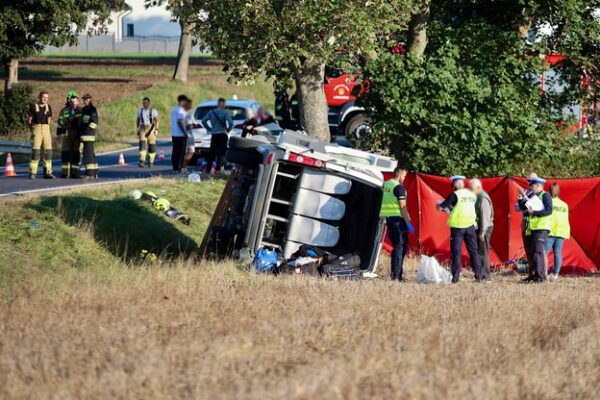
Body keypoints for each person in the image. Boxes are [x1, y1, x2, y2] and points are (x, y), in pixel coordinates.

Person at [436, 175, 483, 283]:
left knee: (456, 252)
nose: (453, 187)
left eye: (453, 185)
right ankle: (479, 276)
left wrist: (438, 206)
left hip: (457, 227)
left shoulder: (454, 195)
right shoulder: (471, 195)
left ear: (456, 184)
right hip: (470, 226)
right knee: (473, 252)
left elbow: (441, 207)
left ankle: (455, 277)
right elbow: (464, 207)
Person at [380, 166, 415, 281]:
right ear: (399, 175)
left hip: (388, 220)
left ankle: (395, 273)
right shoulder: (399, 188)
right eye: (404, 176)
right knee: (400, 248)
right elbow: (402, 207)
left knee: (396, 247)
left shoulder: (385, 185)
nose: (404, 178)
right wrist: (408, 222)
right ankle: (397, 276)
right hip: (398, 221)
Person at [517, 177, 552, 282]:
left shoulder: (545, 196)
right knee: (534, 252)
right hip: (534, 228)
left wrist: (535, 213)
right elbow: (525, 209)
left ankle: (540, 277)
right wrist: (520, 201)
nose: (530, 188)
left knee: (537, 252)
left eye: (532, 185)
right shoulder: (535, 196)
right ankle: (535, 275)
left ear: (538, 185)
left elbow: (549, 211)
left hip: (542, 228)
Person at [469, 178, 494, 281]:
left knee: (483, 252)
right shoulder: (476, 197)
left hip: (485, 227)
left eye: (471, 188)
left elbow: (485, 217)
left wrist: (482, 232)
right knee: (479, 251)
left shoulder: (483, 198)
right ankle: (479, 275)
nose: (470, 191)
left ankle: (485, 276)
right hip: (479, 227)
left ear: (478, 188)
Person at [27, 90, 54, 179]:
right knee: (36, 152)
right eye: (43, 97)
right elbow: (29, 120)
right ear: (39, 97)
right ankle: (33, 172)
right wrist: (33, 129)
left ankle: (47, 172)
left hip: (46, 130)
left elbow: (49, 120)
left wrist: (47, 128)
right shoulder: (33, 107)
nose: (45, 99)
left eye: (46, 98)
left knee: (48, 152)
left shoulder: (48, 107)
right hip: (37, 129)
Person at [201, 98, 233, 174]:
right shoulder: (225, 113)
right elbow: (231, 123)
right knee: (221, 153)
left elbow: (203, 121)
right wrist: (228, 130)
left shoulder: (211, 112)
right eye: (225, 104)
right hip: (223, 134)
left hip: (214, 134)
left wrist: (209, 129)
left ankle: (208, 169)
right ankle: (218, 169)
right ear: (222, 104)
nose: (225, 105)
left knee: (212, 152)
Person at [546, 183, 570, 280]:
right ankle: (556, 274)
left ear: (549, 191)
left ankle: (543, 272)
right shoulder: (564, 205)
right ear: (559, 191)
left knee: (544, 253)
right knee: (558, 252)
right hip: (562, 231)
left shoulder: (548, 203)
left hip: (550, 230)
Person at [56, 91, 82, 179]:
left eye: (74, 100)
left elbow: (82, 122)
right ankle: (65, 173)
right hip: (66, 135)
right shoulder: (64, 111)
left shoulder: (81, 110)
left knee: (76, 154)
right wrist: (59, 133)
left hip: (77, 135)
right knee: (65, 154)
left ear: (78, 101)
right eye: (71, 100)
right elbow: (60, 122)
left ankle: (74, 173)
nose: (72, 101)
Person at [79, 93, 99, 179]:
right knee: (90, 154)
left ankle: (90, 174)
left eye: (86, 100)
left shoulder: (92, 110)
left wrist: (86, 131)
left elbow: (94, 123)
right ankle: (95, 172)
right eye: (84, 100)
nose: (85, 101)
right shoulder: (84, 110)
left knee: (88, 155)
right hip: (84, 136)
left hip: (89, 136)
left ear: (90, 100)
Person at [136, 97, 159, 168]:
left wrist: (156, 129)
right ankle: (142, 161)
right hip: (143, 128)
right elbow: (138, 120)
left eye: (146, 103)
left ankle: (151, 161)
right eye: (143, 103)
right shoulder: (140, 111)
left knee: (152, 146)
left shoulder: (153, 111)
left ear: (149, 103)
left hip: (151, 129)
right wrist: (137, 128)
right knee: (142, 144)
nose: (144, 104)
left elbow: (156, 121)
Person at [170, 94, 189, 174]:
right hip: (180, 134)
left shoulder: (174, 109)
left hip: (174, 133)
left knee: (175, 151)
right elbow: (179, 122)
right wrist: (184, 132)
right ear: (182, 101)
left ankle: (175, 168)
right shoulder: (181, 110)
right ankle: (179, 168)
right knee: (181, 152)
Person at [182, 97, 197, 172]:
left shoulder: (190, 113)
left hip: (190, 135)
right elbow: (185, 124)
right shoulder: (183, 113)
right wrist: (190, 125)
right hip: (185, 135)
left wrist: (193, 124)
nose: (191, 106)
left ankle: (183, 167)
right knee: (186, 151)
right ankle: (182, 167)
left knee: (191, 151)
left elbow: (194, 122)